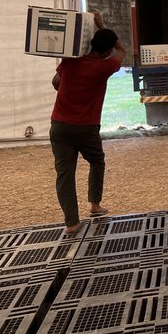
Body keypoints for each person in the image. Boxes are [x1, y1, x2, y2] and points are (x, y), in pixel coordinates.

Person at [50, 12, 125, 235]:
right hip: (86, 127)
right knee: (97, 161)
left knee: (65, 173)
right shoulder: (105, 67)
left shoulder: (70, 61)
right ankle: (94, 204)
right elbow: (122, 50)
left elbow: (55, 82)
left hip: (59, 124)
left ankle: (71, 223)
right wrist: (102, 25)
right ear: (107, 50)